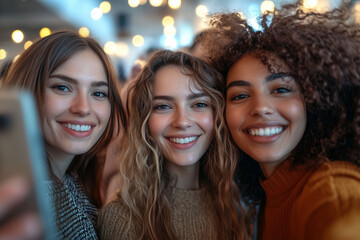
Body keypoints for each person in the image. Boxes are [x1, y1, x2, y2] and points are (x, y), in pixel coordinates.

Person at [201, 1, 360, 240]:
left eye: (281, 89)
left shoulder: (330, 191)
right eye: (240, 95)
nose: (261, 108)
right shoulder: (262, 199)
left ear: (313, 98)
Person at [97, 50, 248, 240]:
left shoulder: (237, 204)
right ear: (144, 121)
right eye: (163, 106)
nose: (182, 121)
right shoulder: (121, 218)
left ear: (217, 114)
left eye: (199, 104)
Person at [1, 30, 126, 239]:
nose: (83, 108)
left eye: (98, 93)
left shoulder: (72, 179)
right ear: (27, 91)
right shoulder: (17, 196)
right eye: (62, 87)